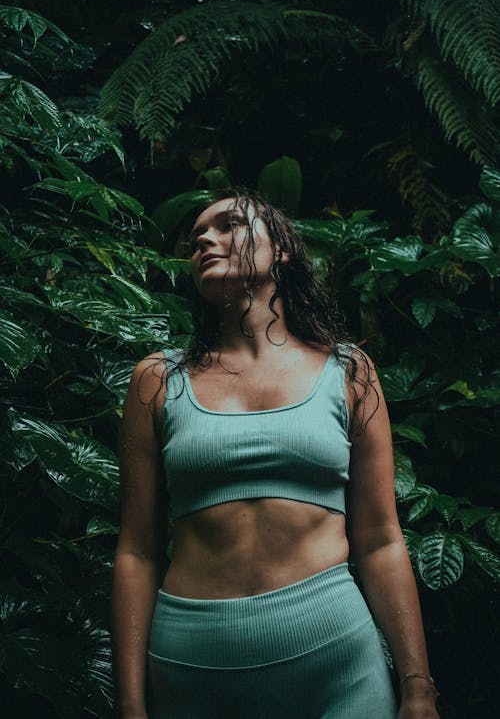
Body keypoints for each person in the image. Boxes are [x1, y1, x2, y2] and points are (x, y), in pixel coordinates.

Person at [111, 188, 440, 719]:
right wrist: (129, 707)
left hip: (338, 665)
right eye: (197, 238)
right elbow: (138, 551)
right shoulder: (158, 381)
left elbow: (380, 539)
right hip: (193, 670)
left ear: (283, 249)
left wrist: (418, 688)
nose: (205, 241)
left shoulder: (349, 372)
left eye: (229, 225)